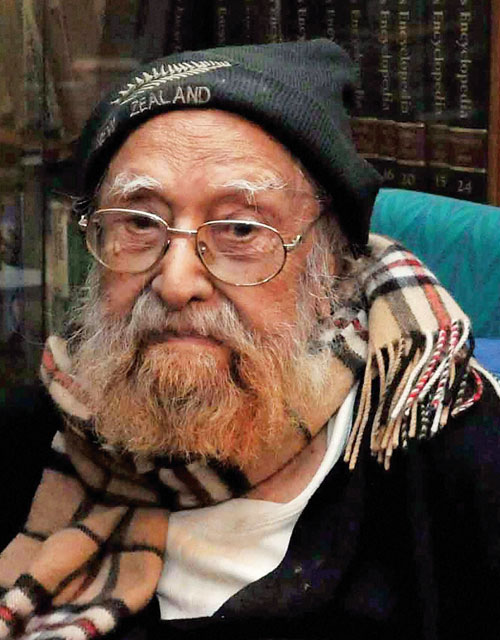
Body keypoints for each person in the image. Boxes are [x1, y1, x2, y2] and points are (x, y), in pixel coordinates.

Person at [0, 40, 499, 640]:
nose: (176, 281)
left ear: (332, 265)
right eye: (137, 222)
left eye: (240, 229)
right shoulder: (30, 442)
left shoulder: (449, 456)